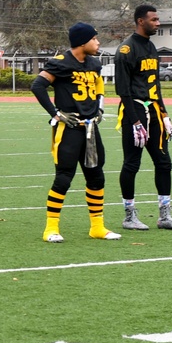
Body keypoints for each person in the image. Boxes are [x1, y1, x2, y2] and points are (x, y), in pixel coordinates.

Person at [30, 23, 121, 243]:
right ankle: (51, 228)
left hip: (90, 128)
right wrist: (56, 113)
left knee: (96, 177)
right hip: (69, 128)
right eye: (94, 39)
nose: (98, 43)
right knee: (63, 178)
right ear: (83, 41)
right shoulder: (61, 63)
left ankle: (97, 227)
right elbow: (37, 86)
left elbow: (99, 87)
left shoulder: (94, 63)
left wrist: (100, 108)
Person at [114, 4, 172, 231]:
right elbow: (122, 90)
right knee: (132, 163)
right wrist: (135, 121)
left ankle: (165, 215)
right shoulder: (126, 50)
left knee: (164, 162)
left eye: (158, 19)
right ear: (140, 21)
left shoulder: (151, 47)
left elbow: (155, 85)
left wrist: (164, 114)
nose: (158, 23)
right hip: (134, 111)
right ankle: (129, 216)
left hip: (154, 111)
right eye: (154, 19)